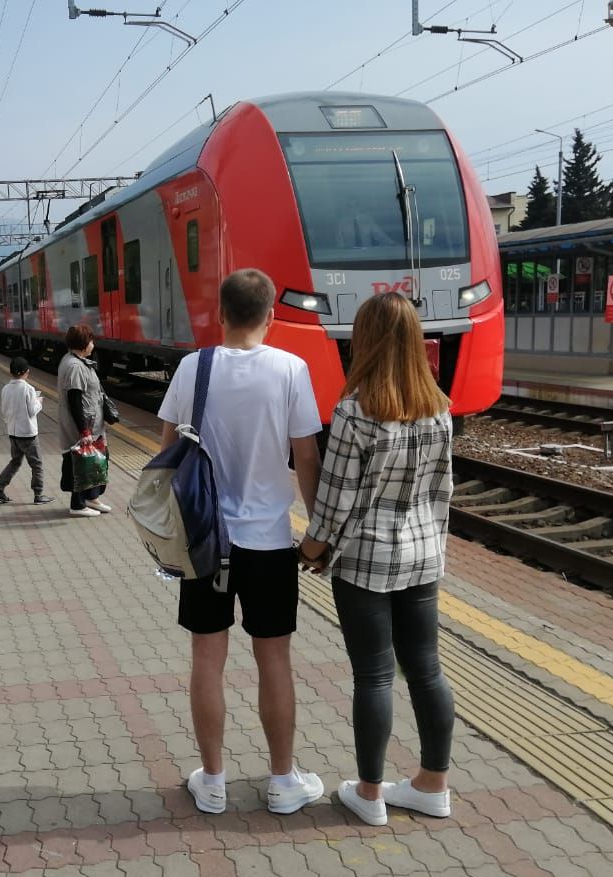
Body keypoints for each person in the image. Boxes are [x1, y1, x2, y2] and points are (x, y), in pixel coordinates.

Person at [156, 269, 324, 816]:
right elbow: (307, 458)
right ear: (271, 315)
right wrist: (318, 531)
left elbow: (166, 455)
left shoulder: (192, 367)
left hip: (206, 541)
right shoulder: (291, 369)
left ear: (220, 315)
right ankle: (282, 780)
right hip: (270, 542)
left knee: (207, 657)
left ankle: (212, 780)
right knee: (274, 659)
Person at [298, 292, 455, 827]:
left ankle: (369, 793)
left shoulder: (355, 410)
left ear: (364, 341)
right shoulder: (439, 407)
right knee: (427, 671)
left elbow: (336, 497)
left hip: (365, 560)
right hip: (423, 554)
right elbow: (443, 491)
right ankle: (433, 785)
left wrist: (313, 550)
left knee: (374, 676)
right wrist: (432, 543)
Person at [57, 325, 109, 517]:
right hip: (83, 426)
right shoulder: (74, 366)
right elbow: (75, 399)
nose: (93, 344)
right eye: (91, 340)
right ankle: (77, 505)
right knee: (80, 463)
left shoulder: (76, 361)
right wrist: (84, 430)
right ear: (83, 344)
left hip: (92, 423)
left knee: (95, 461)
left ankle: (91, 498)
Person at [0, 356, 53, 505]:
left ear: (11, 372)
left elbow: (5, 410)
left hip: (13, 433)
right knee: (36, 464)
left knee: (15, 461)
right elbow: (32, 411)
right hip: (28, 434)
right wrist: (39, 402)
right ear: (26, 372)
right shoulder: (28, 389)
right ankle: (39, 494)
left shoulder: (5, 388)